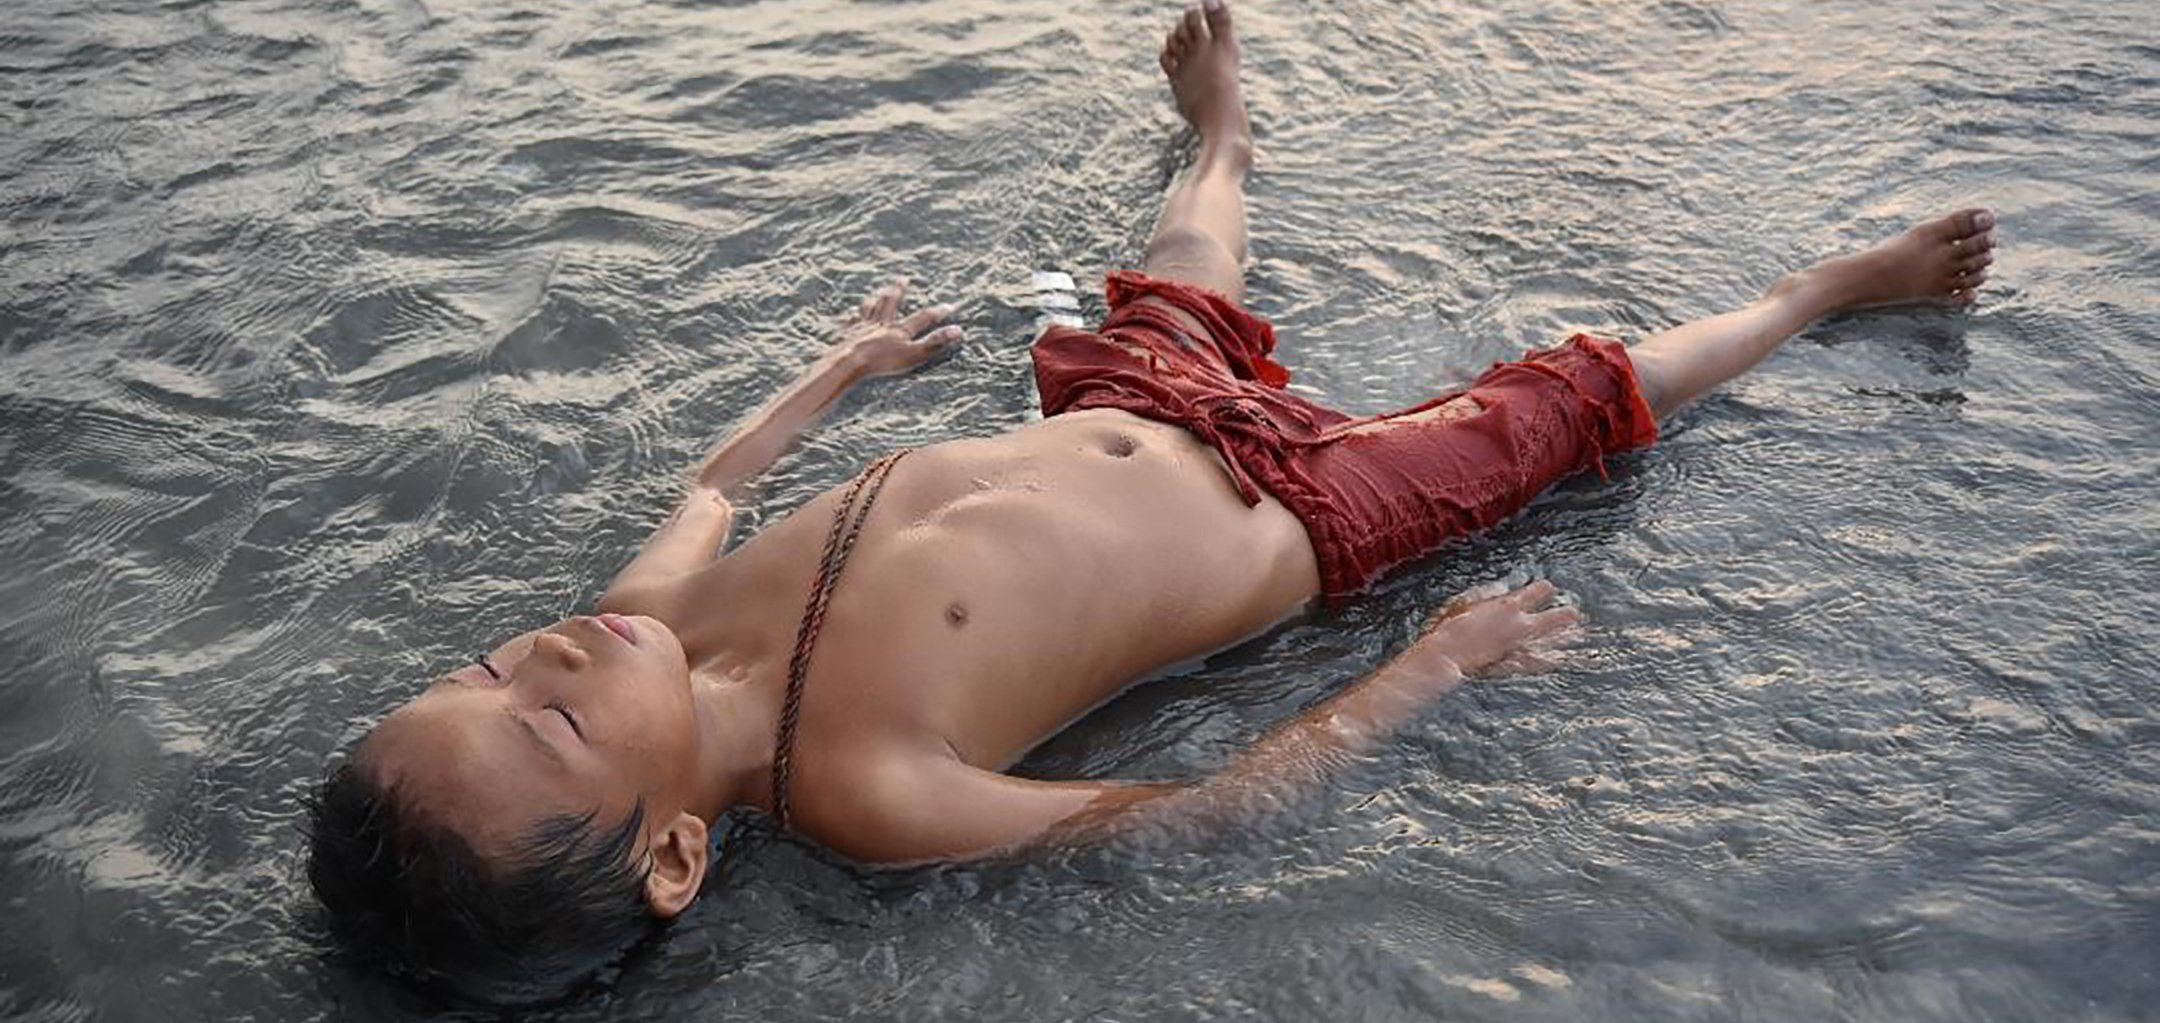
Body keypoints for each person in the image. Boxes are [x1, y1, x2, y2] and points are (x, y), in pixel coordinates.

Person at [305, 0, 1997, 1004]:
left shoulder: (651, 618)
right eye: (547, 724)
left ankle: (1226, 136)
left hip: (1142, 412)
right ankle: (1825, 293)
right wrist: (1435, 666)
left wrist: (843, 367)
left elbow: (710, 482)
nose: (541, 655)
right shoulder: (869, 789)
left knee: (1188, 263)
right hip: (1306, 516)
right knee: (1579, 398)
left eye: (482, 670)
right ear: (674, 856)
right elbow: (1197, 817)